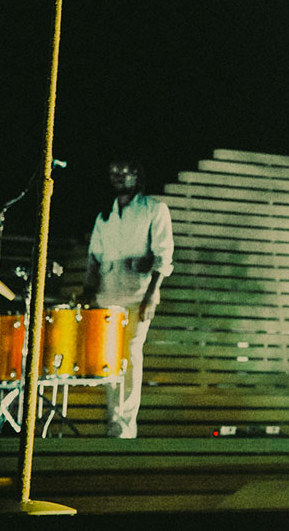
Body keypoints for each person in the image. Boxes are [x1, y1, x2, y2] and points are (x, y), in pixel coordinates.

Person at [82, 157, 173, 438]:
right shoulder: (105, 215)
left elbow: (163, 255)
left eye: (123, 172)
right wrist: (88, 291)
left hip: (137, 295)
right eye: (113, 173)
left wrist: (151, 295)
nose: (118, 177)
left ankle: (125, 426)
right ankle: (113, 421)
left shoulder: (154, 209)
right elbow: (94, 257)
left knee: (130, 355)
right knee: (110, 357)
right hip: (107, 296)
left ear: (137, 175)